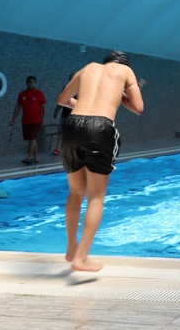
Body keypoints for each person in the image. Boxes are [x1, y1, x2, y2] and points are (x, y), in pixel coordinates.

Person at [57, 51, 145, 272]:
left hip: (72, 125)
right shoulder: (125, 71)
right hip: (99, 128)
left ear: (105, 61)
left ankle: (71, 248)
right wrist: (120, 95)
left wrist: (86, 103)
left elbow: (62, 100)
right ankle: (81, 258)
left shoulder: (88, 68)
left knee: (75, 192)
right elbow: (138, 108)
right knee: (95, 196)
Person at [10, 75, 46, 164]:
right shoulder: (22, 94)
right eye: (30, 82)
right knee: (31, 139)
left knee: (32, 138)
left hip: (36, 120)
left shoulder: (39, 94)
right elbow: (18, 107)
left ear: (35, 83)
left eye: (33, 82)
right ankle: (36, 157)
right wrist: (13, 119)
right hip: (26, 120)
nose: (32, 84)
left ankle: (29, 157)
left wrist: (43, 119)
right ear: (26, 83)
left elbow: (43, 108)